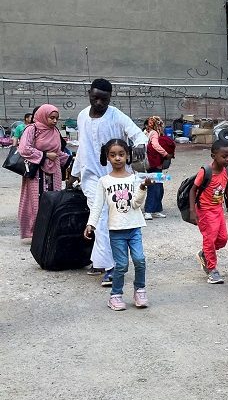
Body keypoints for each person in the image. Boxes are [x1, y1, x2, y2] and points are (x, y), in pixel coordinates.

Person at [70, 79, 149, 287]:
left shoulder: (116, 115)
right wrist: (74, 174)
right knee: (100, 216)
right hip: (91, 177)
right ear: (89, 94)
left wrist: (140, 145)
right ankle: (110, 266)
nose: (98, 102)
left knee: (109, 218)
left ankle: (102, 261)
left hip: (115, 176)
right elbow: (83, 147)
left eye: (103, 99)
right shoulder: (81, 116)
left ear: (109, 98)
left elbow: (138, 135)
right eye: (95, 97)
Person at [84, 139, 152, 311]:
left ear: (127, 155)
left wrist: (143, 187)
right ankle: (115, 296)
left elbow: (136, 204)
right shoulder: (104, 181)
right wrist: (90, 224)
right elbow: (97, 205)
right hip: (116, 230)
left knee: (140, 260)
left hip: (134, 227)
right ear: (107, 157)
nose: (118, 158)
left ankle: (140, 290)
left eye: (121, 154)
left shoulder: (135, 178)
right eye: (113, 155)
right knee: (121, 265)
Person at [17, 105, 70, 241]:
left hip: (54, 171)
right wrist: (45, 155)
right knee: (36, 202)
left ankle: (50, 232)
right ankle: (36, 234)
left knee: (53, 200)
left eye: (56, 118)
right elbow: (24, 149)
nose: (54, 121)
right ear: (43, 116)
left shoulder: (55, 131)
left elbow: (57, 153)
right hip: (36, 172)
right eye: (51, 118)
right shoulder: (32, 129)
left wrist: (71, 159)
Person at [190, 140, 228, 284]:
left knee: (223, 239)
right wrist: (192, 210)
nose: (227, 159)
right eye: (224, 156)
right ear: (213, 156)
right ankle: (212, 270)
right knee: (210, 239)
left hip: (218, 209)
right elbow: (193, 189)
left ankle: (205, 253)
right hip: (205, 211)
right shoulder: (206, 171)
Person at [143, 116, 173, 220]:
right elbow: (155, 145)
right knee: (155, 187)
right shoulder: (155, 133)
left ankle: (156, 210)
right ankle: (149, 211)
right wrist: (165, 154)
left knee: (158, 187)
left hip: (151, 164)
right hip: (155, 164)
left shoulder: (146, 132)